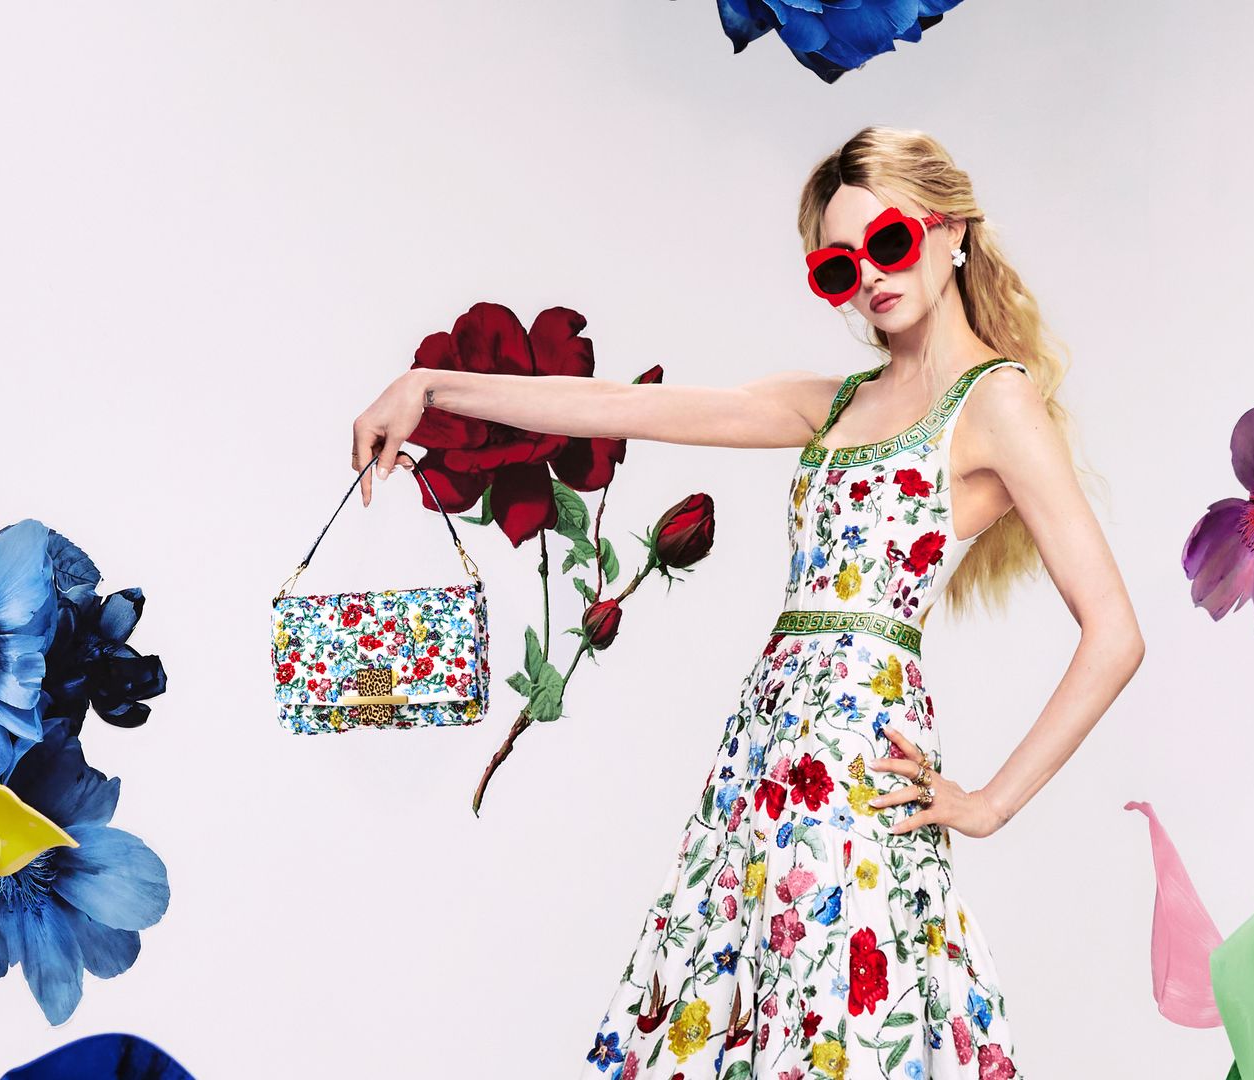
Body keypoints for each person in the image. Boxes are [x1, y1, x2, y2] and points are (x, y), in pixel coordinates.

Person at [349, 125, 1143, 1080]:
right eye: (841, 267)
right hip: (759, 755)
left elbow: (1115, 634)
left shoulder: (996, 402)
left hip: (855, 768)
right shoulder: (839, 402)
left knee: (840, 1027)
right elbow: (632, 408)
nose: (872, 280)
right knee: (719, 1012)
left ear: (952, 232)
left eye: (890, 243)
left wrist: (988, 804)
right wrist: (431, 387)